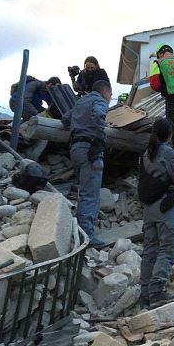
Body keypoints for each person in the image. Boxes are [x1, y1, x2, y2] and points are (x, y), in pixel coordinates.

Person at [138, 118, 174, 308]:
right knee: (168, 249)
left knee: (150, 250)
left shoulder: (145, 155)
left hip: (148, 209)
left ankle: (145, 293)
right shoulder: (168, 153)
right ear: (169, 135)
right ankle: (157, 292)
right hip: (164, 206)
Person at [61, 80, 111, 248]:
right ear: (105, 92)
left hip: (75, 149)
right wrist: (99, 134)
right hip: (90, 150)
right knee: (91, 194)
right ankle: (87, 236)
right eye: (110, 96)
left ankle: (79, 229)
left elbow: (65, 119)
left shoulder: (81, 101)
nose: (110, 99)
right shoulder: (99, 101)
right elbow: (98, 114)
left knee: (84, 192)